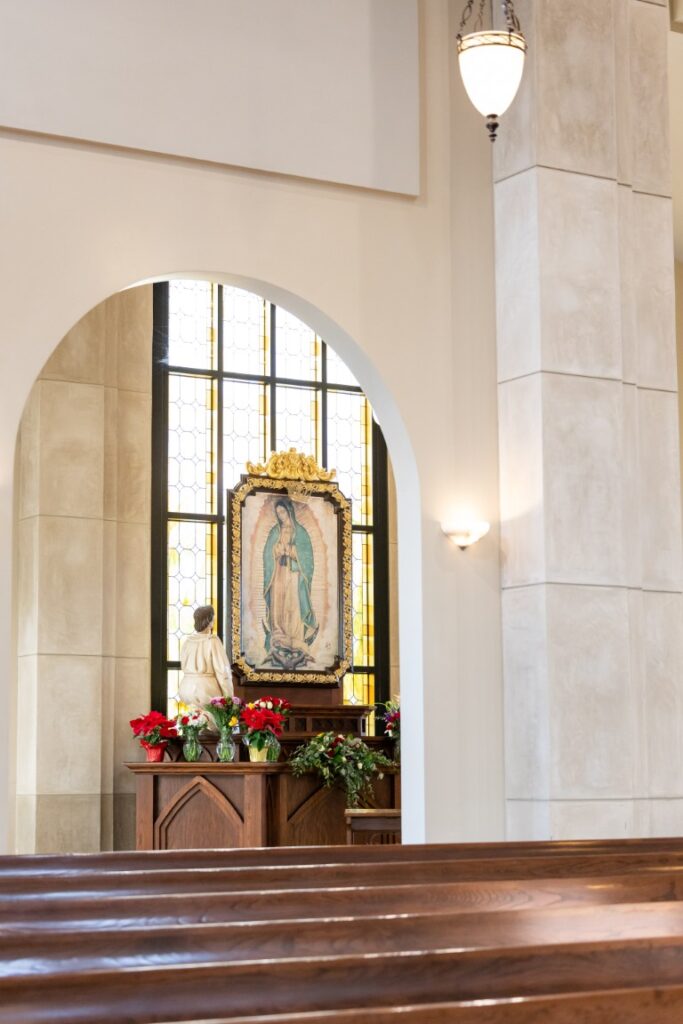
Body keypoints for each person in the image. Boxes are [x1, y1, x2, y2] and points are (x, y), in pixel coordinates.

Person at [262, 497, 318, 670]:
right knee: (279, 603)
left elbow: (307, 558)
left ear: (289, 511)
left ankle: (295, 639)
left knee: (293, 604)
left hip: (294, 574)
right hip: (278, 573)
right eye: (278, 513)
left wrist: (293, 552)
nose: (280, 516)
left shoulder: (300, 533)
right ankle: (279, 636)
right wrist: (276, 551)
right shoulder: (274, 532)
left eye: (283, 512)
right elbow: (267, 555)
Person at [179, 606, 233, 715]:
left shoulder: (187, 642)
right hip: (205, 689)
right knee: (212, 726)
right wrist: (229, 697)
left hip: (185, 688)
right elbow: (223, 671)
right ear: (209, 621)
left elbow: (183, 666)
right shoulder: (213, 641)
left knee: (193, 722)